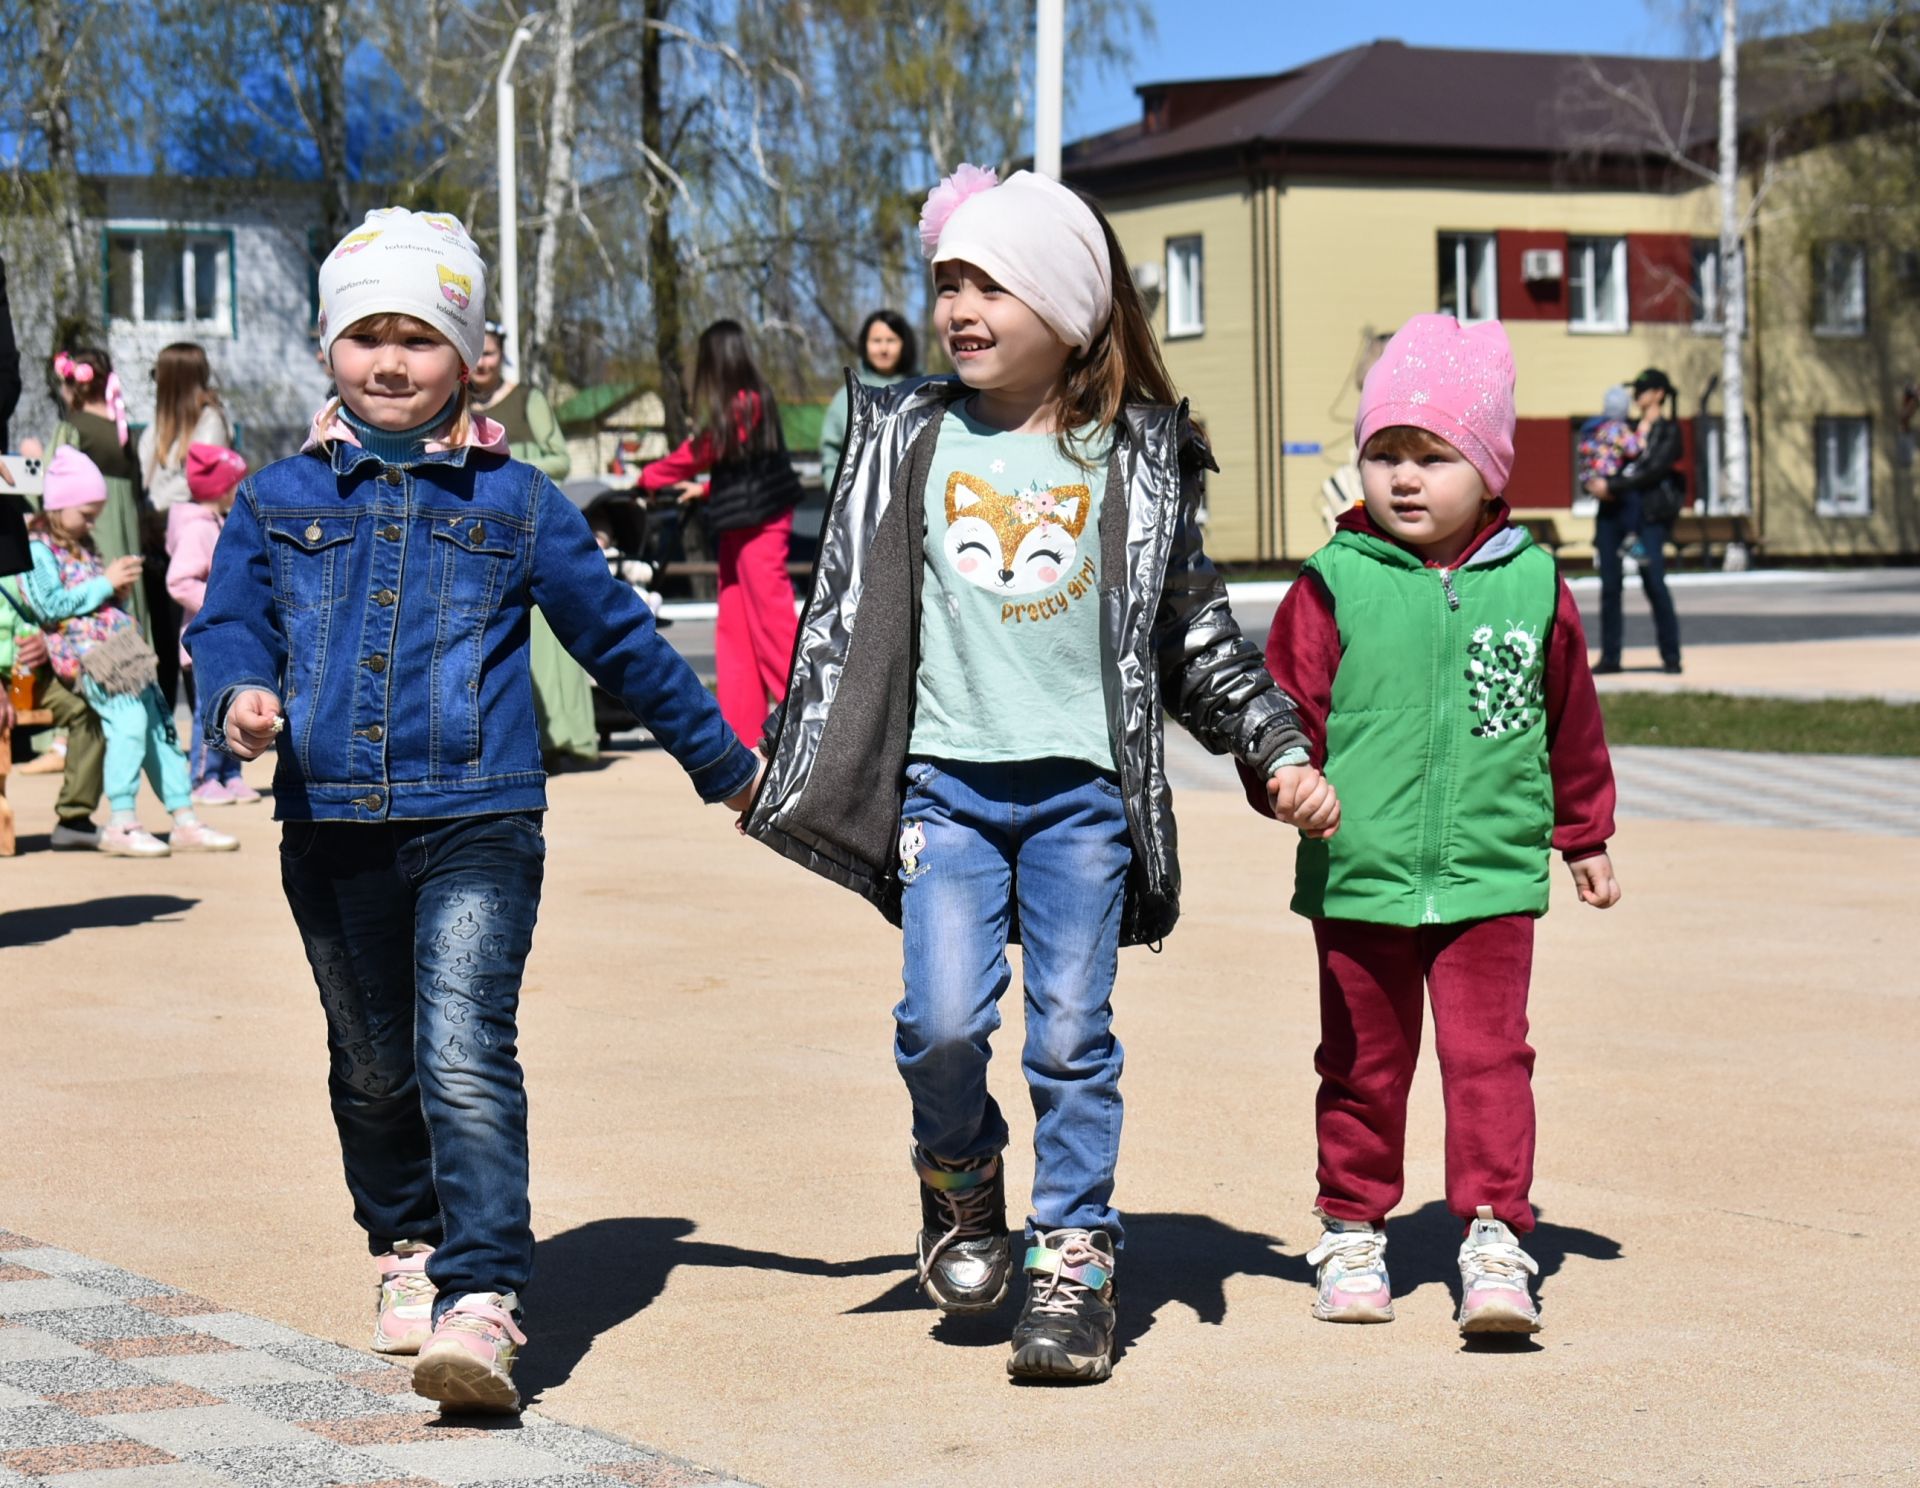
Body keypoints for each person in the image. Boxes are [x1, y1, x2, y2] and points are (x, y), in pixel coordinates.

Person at [744, 164, 1334, 1383]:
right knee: (942, 1026)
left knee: (1073, 1037)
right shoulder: (906, 434)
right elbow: (849, 607)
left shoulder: (1140, 459)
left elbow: (1194, 637)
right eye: (949, 281)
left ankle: (1075, 1260)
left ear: (1068, 309)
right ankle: (962, 1181)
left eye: (992, 286)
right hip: (945, 791)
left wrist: (1272, 745)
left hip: (1084, 801)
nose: (960, 308)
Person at [187, 207, 761, 1415]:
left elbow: (619, 641)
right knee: (376, 1066)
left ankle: (484, 1296)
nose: (389, 363)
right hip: (332, 822)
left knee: (460, 1054)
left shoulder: (518, 501)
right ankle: (404, 1244)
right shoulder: (273, 498)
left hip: (480, 819)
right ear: (328, 348)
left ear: (468, 354)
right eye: (364, 339)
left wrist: (728, 764)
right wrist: (239, 691)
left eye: (418, 338)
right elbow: (229, 622)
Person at [1249, 313, 1618, 1338]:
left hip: (1490, 876)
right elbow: (1280, 711)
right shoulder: (1333, 582)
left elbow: (1569, 719)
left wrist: (1584, 833)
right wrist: (1286, 779)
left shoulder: (1535, 583)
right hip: (1360, 871)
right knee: (1364, 1064)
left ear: (1490, 467)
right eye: (1383, 454)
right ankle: (1353, 1227)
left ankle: (1497, 1232)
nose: (1404, 477)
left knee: (1491, 1060)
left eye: (1432, 455)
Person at [22, 448, 236, 857]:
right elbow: (49, 606)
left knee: (159, 727)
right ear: (59, 504)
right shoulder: (39, 551)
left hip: (121, 654)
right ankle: (122, 819)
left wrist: (112, 591)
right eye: (86, 512)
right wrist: (105, 583)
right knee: (130, 722)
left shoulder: (81, 547)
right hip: (90, 660)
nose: (92, 521)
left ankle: (184, 818)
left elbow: (86, 602)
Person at [639, 320, 803, 745]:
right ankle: (743, 735)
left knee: (771, 623)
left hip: (761, 523)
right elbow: (741, 466)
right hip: (742, 520)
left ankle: (803, 718)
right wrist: (706, 489)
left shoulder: (745, 403)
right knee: (735, 628)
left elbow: (704, 451)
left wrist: (650, 476)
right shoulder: (746, 403)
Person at [468, 322, 595, 767]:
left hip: (526, 521)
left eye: (489, 353)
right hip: (481, 531)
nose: (482, 361)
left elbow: (559, 456)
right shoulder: (456, 401)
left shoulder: (528, 398)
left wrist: (508, 456)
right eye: (476, 353)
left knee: (548, 639)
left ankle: (565, 737)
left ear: (500, 355)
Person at [166, 443, 257, 805]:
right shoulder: (196, 531)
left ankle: (231, 773)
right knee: (210, 710)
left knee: (238, 704)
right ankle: (203, 776)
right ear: (220, 489)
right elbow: (179, 581)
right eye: (237, 482)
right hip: (205, 641)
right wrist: (219, 601)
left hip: (234, 636)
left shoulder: (220, 523)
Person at [49, 349, 151, 648]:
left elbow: (52, 480)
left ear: (72, 386)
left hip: (90, 535)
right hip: (126, 534)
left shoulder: (74, 427)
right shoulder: (122, 432)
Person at [1588, 367, 1684, 674]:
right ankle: (1611, 657)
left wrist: (1612, 486)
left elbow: (1653, 470)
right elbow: (1599, 455)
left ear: (1658, 393)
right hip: (1611, 515)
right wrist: (1592, 483)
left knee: (1654, 582)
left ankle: (1671, 656)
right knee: (1610, 586)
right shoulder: (1623, 426)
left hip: (1647, 519)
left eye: (1642, 389)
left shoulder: (1668, 432)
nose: (1636, 395)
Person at [818, 308, 919, 493]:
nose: (883, 348)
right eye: (876, 341)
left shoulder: (921, 391)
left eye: (891, 340)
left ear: (905, 344)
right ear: (865, 345)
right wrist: (838, 497)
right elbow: (831, 453)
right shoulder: (848, 395)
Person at [1576, 384, 1644, 560]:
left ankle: (1604, 542)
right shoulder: (1619, 428)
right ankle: (1631, 537)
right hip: (1609, 476)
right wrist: (1641, 435)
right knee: (1632, 500)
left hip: (1590, 476)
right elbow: (1633, 449)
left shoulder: (1593, 427)